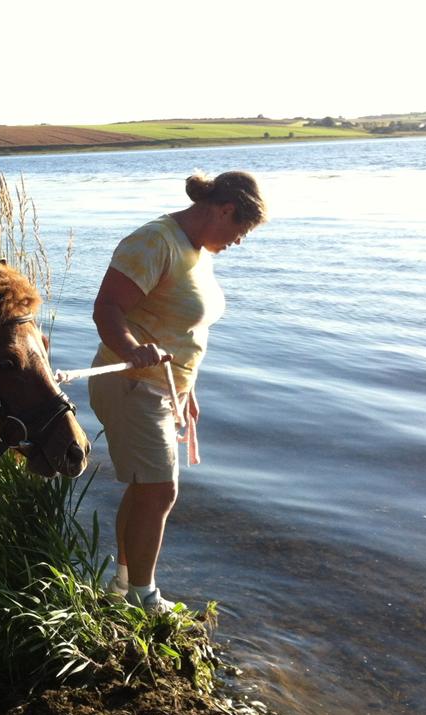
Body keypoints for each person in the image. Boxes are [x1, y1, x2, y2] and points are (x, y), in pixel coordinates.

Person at [88, 171, 266, 612]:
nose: (239, 241)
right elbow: (107, 307)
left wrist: (187, 389)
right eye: (240, 230)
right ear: (224, 210)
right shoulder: (155, 241)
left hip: (163, 388)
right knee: (160, 490)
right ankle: (145, 598)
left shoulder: (197, 250)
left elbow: (181, 326)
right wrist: (131, 349)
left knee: (143, 487)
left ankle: (125, 586)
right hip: (132, 384)